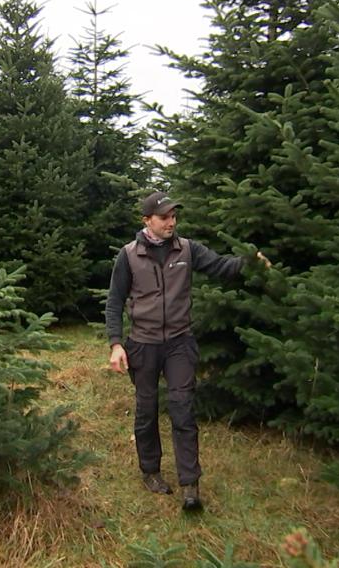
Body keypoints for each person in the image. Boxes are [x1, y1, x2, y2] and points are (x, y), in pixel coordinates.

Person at [105, 191, 270, 511]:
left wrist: (251, 261)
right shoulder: (129, 255)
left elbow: (222, 266)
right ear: (147, 220)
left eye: (174, 216)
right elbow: (114, 301)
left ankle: (190, 484)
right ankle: (150, 471)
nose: (171, 222)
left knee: (183, 409)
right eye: (164, 217)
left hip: (180, 342)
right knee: (146, 410)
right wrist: (116, 344)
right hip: (143, 344)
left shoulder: (188, 249)